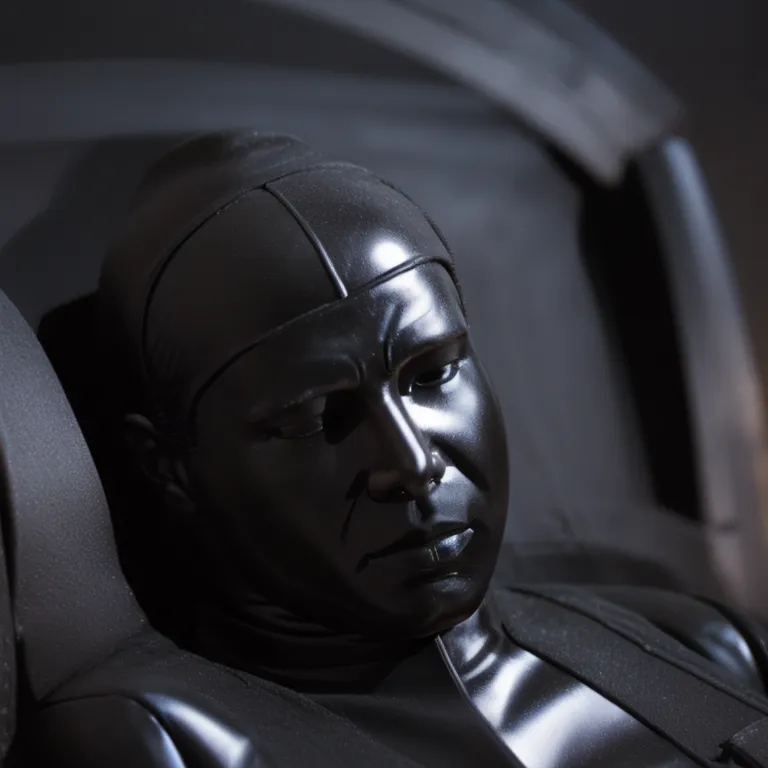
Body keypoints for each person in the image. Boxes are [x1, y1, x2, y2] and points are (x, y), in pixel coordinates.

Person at [62, 132, 768, 766]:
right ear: (169, 468)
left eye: (432, 374)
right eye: (315, 417)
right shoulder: (168, 746)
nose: (410, 464)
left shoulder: (697, 642)